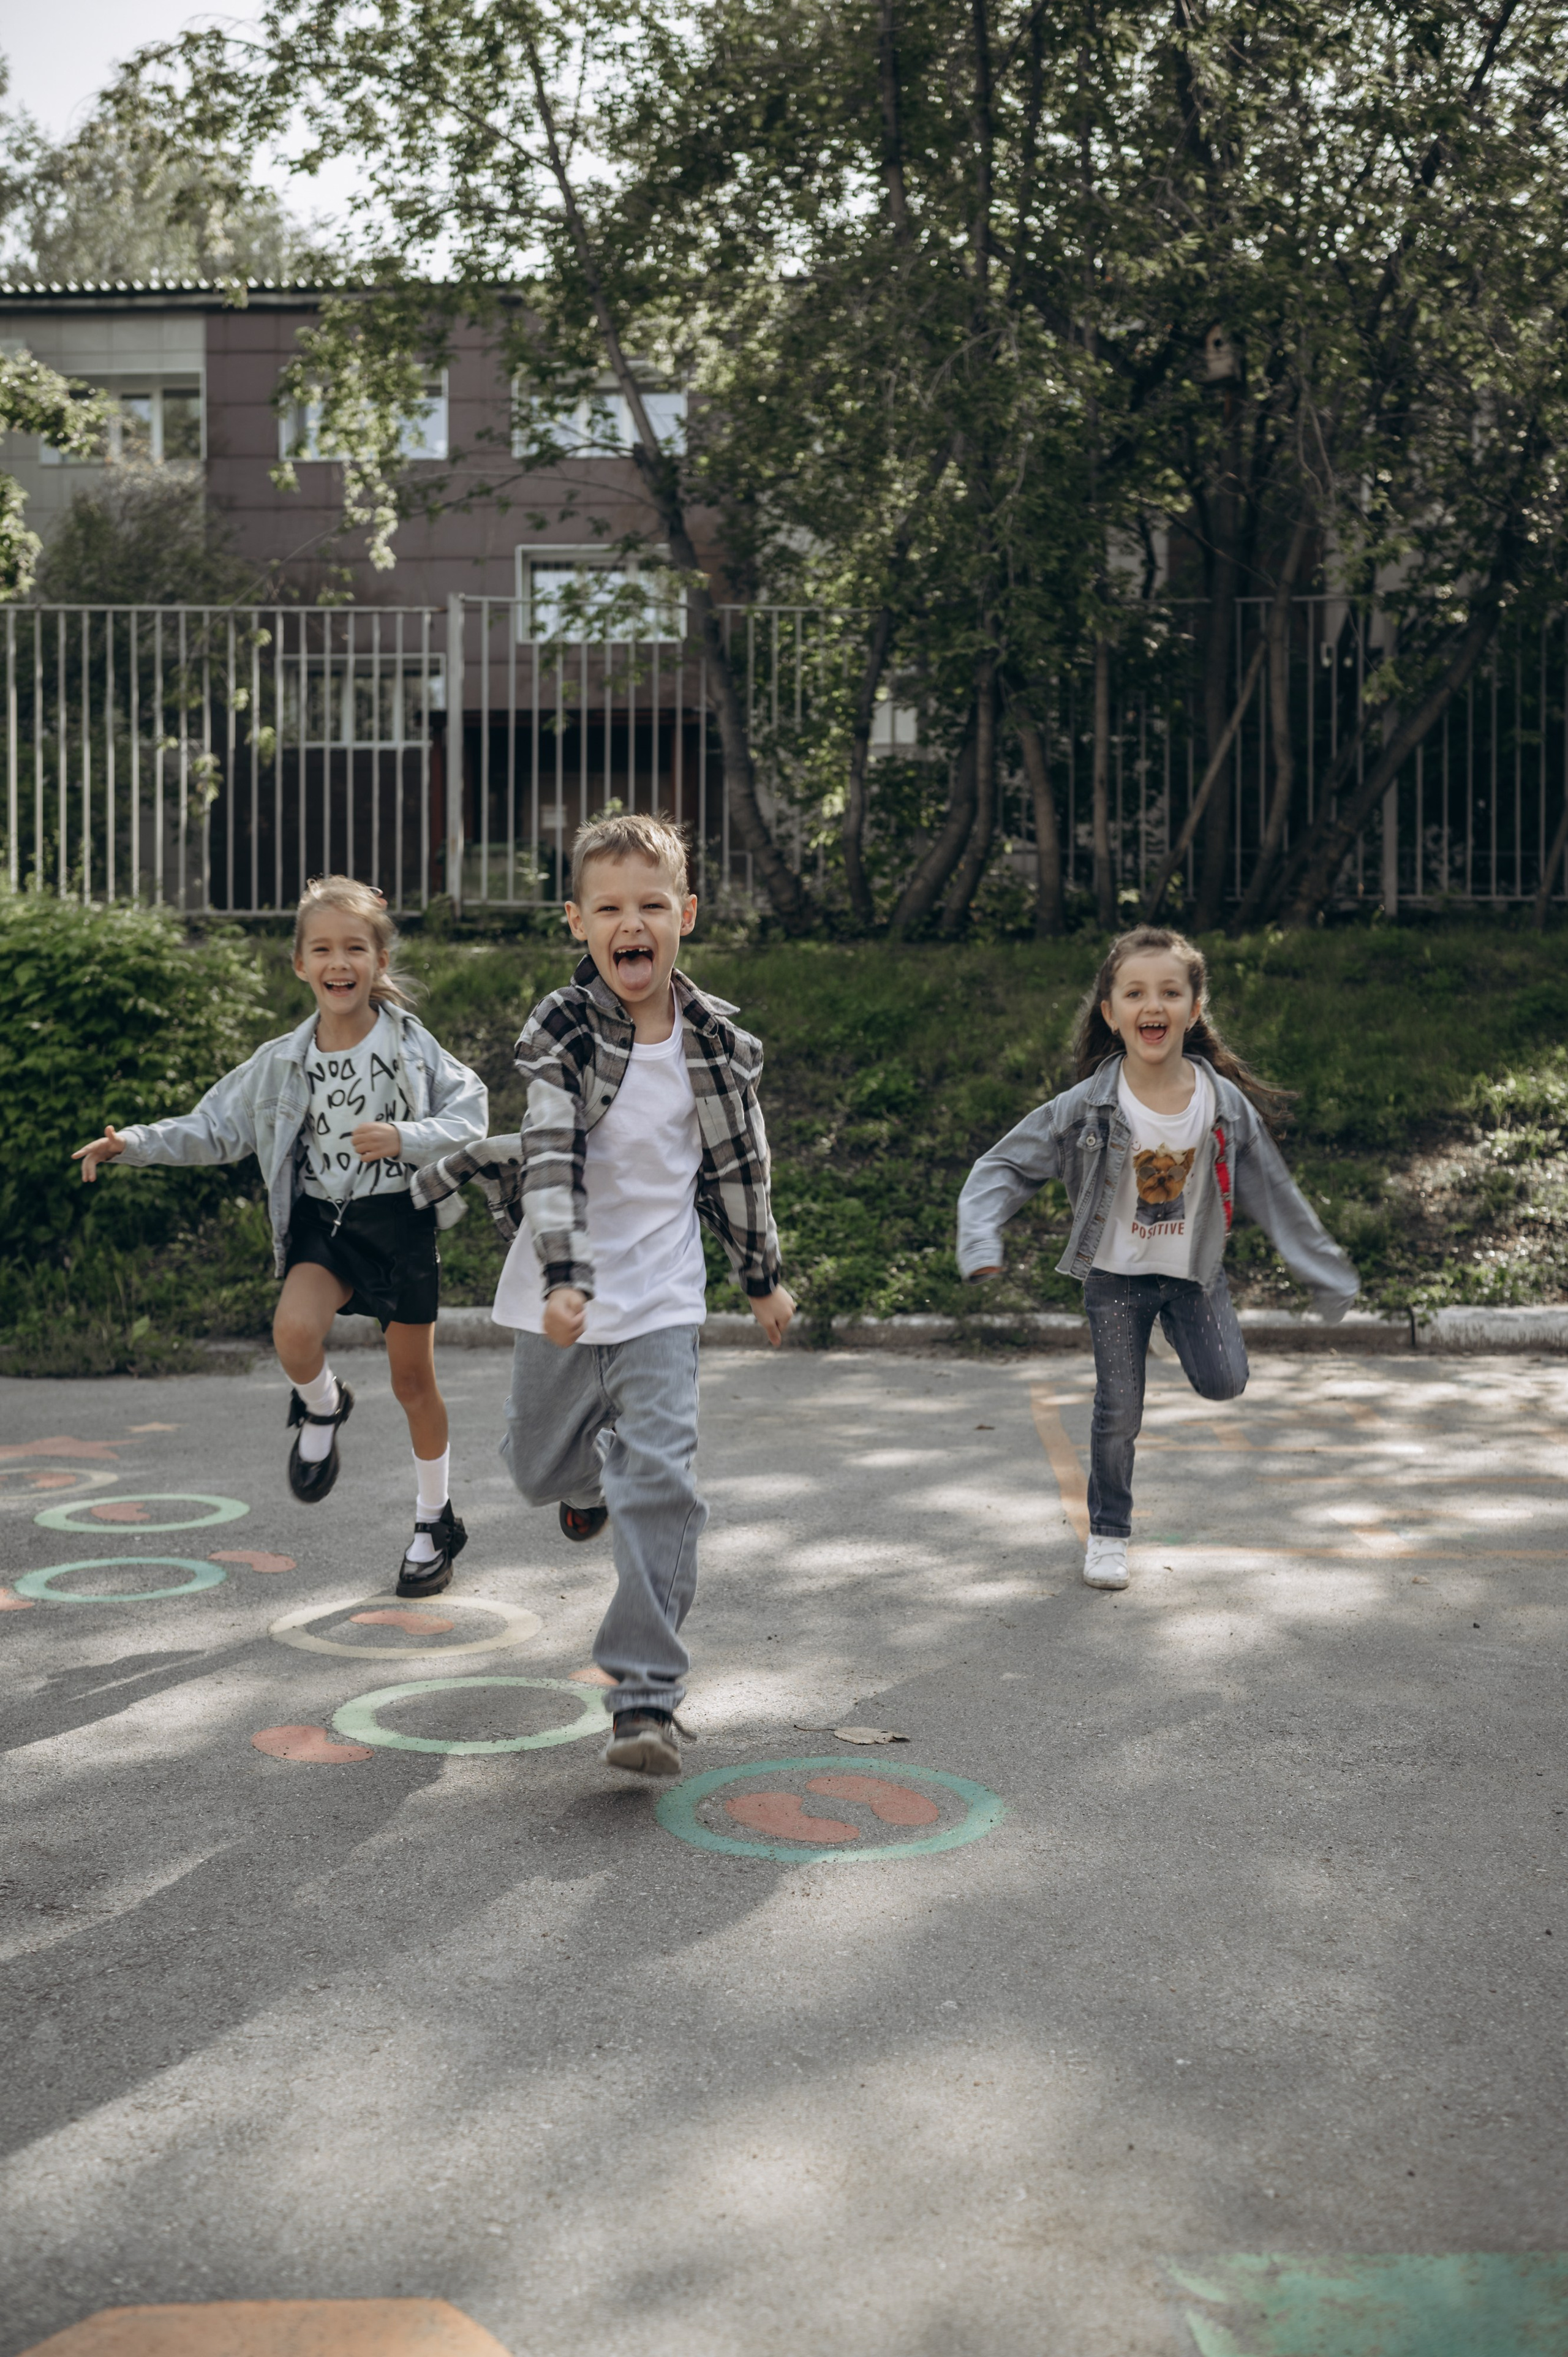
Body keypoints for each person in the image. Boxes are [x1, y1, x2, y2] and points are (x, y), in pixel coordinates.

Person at [412, 812, 794, 1779]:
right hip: (562, 1288)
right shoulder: (564, 1028)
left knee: (663, 1482)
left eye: (654, 906)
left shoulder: (718, 1045)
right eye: (612, 908)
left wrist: (762, 1277)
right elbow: (548, 1150)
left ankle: (645, 1701)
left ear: (687, 917)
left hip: (663, 1297)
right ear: (578, 922)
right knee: (540, 1469)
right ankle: (584, 1488)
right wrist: (565, 1275)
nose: (635, 925)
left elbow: (741, 1172)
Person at [72, 875, 488, 1596]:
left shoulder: (413, 1047)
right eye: (323, 948)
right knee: (293, 1333)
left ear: (378, 961)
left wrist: (405, 1135)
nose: (340, 962)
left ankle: (433, 1520)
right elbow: (215, 1126)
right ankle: (324, 1402)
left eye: (355, 948)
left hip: (396, 1223)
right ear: (300, 963)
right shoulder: (281, 1061)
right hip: (323, 1223)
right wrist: (132, 1142)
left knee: (413, 1380)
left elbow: (471, 1115)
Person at [957, 924, 1358, 1591]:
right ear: (1111, 1014)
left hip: (1193, 1278)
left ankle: (1179, 1327)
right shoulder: (1085, 1106)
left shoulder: (1222, 1106)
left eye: (1170, 991)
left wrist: (1322, 1269)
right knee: (1119, 1408)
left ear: (1194, 1009)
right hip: (1115, 1279)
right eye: (1135, 992)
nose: (1154, 1004)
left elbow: (1274, 1192)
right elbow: (1001, 1165)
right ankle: (1109, 1534)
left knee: (1226, 1380)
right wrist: (980, 1239)